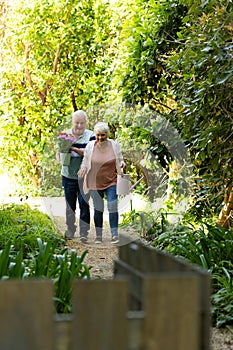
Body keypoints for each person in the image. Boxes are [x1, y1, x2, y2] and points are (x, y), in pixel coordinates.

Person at [78, 122, 125, 244]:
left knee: (112, 206)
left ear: (107, 134)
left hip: (111, 181)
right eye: (98, 135)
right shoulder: (90, 146)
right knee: (99, 209)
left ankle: (114, 234)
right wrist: (83, 168)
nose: (100, 138)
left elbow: (120, 159)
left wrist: (122, 164)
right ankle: (98, 236)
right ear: (95, 134)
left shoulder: (114, 145)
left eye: (103, 135)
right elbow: (85, 160)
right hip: (94, 182)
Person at [56, 110, 95, 242]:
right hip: (68, 176)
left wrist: (73, 149)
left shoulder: (91, 136)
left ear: (86, 122)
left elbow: (90, 154)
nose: (79, 125)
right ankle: (70, 230)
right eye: (76, 122)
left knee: (84, 203)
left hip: (85, 177)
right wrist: (62, 158)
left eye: (82, 123)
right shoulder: (65, 135)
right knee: (70, 205)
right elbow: (58, 154)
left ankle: (84, 232)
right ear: (72, 122)